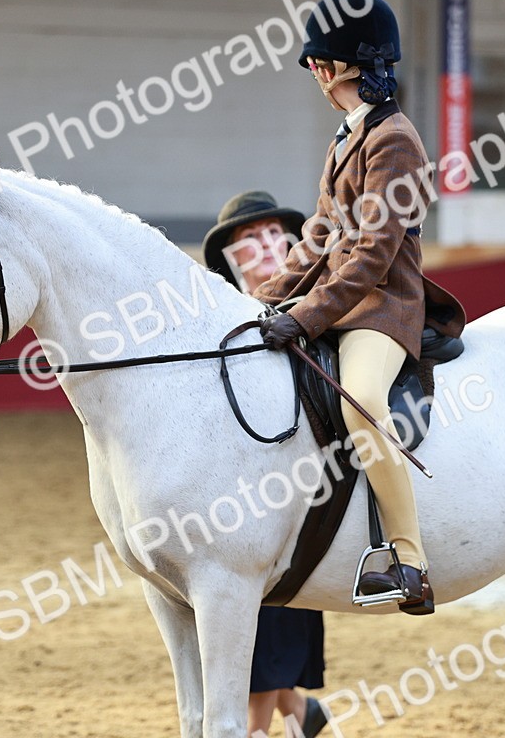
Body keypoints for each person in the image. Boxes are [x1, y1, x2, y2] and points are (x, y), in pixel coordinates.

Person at [252, 0, 467, 616]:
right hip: (339, 300)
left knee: (364, 402)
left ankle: (409, 558)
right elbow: (317, 237)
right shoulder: (348, 136)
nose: (314, 74)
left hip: (381, 307)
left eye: (319, 62)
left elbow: (373, 255)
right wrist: (257, 300)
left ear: (339, 67)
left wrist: (305, 315)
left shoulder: (395, 139)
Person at [203, 191, 329, 738]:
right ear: (230, 257)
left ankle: (273, 723)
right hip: (236, 499)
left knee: (266, 617)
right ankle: (298, 714)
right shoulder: (215, 325)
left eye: (275, 233)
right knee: (249, 616)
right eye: (250, 239)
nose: (266, 246)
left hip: (301, 492)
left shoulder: (317, 300)